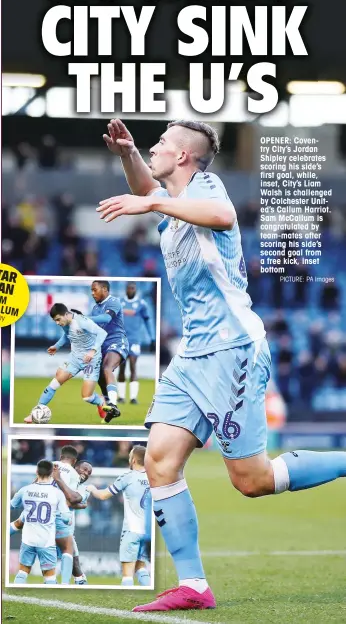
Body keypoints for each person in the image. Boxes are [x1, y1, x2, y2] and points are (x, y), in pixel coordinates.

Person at [97, 117, 346, 612]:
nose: (154, 147)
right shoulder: (174, 197)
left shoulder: (206, 188)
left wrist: (150, 200)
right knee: (159, 461)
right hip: (192, 352)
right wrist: (129, 157)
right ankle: (193, 585)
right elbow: (149, 188)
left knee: (251, 480)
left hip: (232, 348)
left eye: (161, 143)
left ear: (184, 157)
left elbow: (222, 216)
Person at [24, 304, 112, 423]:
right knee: (55, 382)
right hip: (75, 358)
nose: (57, 323)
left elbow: (102, 333)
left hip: (91, 360)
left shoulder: (82, 322)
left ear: (66, 314)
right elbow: (67, 335)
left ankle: (101, 401)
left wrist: (93, 351)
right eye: (55, 321)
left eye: (58, 319)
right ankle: (34, 414)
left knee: (86, 397)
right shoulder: (65, 323)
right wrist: (57, 346)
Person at [87, 445, 151, 587]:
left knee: (127, 573)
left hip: (131, 530)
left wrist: (92, 489)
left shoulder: (127, 477)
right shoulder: (153, 477)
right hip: (147, 532)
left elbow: (103, 495)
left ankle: (127, 603)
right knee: (141, 567)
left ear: (133, 460)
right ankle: (152, 595)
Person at [10, 459, 71, 585]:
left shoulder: (25, 490)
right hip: (46, 542)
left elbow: (11, 505)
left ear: (36, 471)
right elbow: (66, 519)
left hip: (28, 540)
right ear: (51, 474)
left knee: (22, 572)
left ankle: (14, 596)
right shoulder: (57, 493)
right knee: (49, 577)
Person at [90, 280, 129, 423]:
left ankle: (113, 404)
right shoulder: (95, 308)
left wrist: (84, 318)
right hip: (102, 345)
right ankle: (108, 404)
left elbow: (106, 318)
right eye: (91, 290)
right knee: (100, 375)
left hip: (117, 341)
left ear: (105, 289)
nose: (92, 293)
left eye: (95, 290)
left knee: (108, 367)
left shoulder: (114, 302)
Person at [52, 459, 93, 585]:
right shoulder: (66, 479)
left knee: (72, 556)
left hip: (66, 527)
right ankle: (76, 580)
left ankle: (77, 580)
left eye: (89, 473)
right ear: (75, 468)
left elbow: (70, 501)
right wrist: (80, 506)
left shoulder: (85, 489)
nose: (86, 473)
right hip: (51, 523)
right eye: (84, 469)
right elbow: (72, 502)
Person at [118, 282, 156, 404]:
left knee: (133, 366)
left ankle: (133, 397)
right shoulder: (119, 303)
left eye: (132, 288)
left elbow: (147, 321)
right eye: (128, 288)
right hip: (121, 340)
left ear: (136, 290)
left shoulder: (141, 304)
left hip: (135, 340)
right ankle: (121, 397)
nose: (130, 290)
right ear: (125, 290)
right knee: (122, 367)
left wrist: (152, 338)